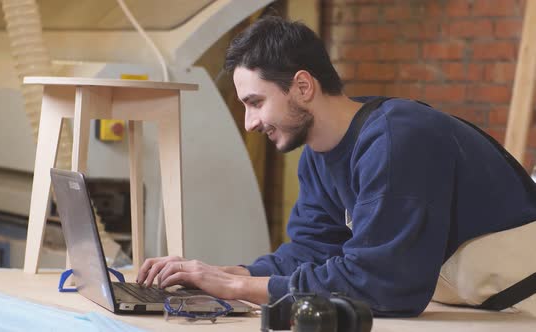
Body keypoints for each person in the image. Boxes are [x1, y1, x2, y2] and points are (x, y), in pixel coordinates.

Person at [136, 16, 536, 316]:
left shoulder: (399, 138)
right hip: (469, 308)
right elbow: (311, 252)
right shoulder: (317, 155)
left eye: (255, 102)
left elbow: (381, 284)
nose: (250, 123)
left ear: (303, 87)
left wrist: (236, 285)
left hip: (519, 308)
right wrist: (213, 273)